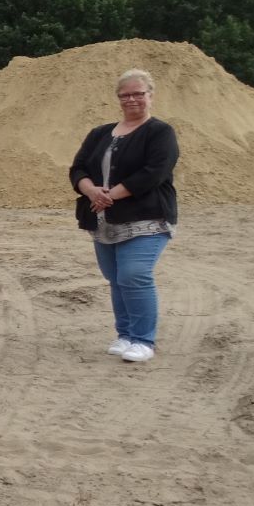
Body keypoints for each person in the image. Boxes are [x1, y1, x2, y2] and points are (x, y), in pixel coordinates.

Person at [69, 68, 179, 364]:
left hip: (146, 217)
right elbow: (77, 168)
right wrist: (91, 191)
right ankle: (126, 334)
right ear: (118, 98)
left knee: (134, 275)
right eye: (125, 94)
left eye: (138, 94)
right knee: (116, 278)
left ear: (150, 96)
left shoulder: (160, 132)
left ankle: (144, 339)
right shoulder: (100, 133)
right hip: (102, 218)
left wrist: (109, 195)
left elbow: (154, 172)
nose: (132, 99)